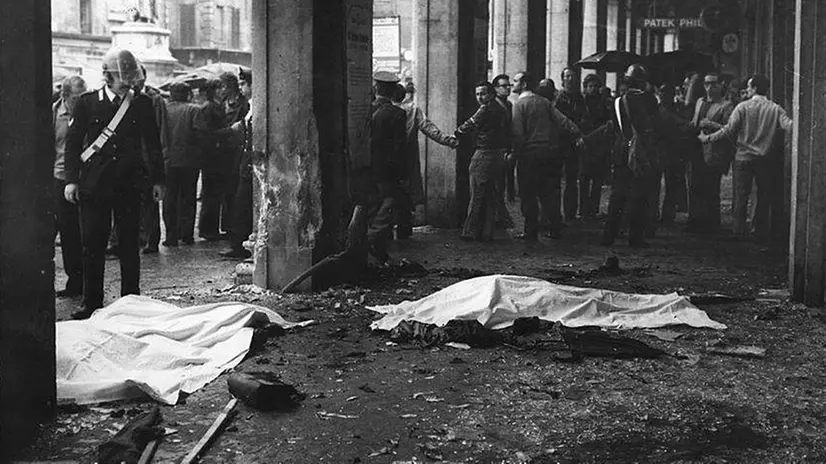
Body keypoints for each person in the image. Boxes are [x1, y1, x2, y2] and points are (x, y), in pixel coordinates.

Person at [64, 48, 165, 319]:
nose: (128, 82)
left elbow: (153, 145)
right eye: (123, 77)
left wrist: (158, 180)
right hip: (94, 184)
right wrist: (71, 180)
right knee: (92, 245)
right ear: (107, 76)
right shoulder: (87, 103)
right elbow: (73, 145)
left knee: (130, 244)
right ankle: (91, 301)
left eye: (131, 77)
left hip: (130, 184)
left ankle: (130, 299)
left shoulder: (141, 103)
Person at [699, 74, 793, 239]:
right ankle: (758, 230)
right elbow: (790, 126)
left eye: (749, 87)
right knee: (762, 196)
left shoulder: (742, 107)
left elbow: (728, 131)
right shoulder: (776, 108)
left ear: (755, 88)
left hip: (743, 158)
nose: (747, 90)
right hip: (764, 159)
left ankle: (738, 230)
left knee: (741, 196)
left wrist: (708, 139)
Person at [511, 71, 583, 241]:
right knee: (548, 193)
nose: (513, 84)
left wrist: (515, 154)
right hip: (548, 154)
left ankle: (531, 231)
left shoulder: (519, 105)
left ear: (524, 84)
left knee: (528, 194)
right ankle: (555, 228)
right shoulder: (544, 102)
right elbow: (563, 121)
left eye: (515, 81)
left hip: (529, 155)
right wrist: (577, 134)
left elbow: (518, 134)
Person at [601, 64, 660, 248]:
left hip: (621, 151)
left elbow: (615, 128)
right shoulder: (649, 100)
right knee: (640, 196)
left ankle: (608, 236)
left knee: (617, 195)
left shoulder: (618, 101)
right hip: (641, 152)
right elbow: (652, 127)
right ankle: (635, 237)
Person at [393, 82, 458, 239]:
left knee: (390, 194)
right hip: (408, 158)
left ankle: (388, 233)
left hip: (388, 160)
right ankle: (405, 228)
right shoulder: (414, 110)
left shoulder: (382, 109)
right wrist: (450, 141)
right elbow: (430, 129)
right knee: (407, 193)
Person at [454, 81, 510, 241]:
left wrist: (457, 132)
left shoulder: (485, 108)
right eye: (478, 94)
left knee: (477, 194)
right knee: (492, 195)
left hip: (483, 154)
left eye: (483, 93)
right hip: (498, 154)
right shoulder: (501, 108)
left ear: (491, 94)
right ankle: (487, 232)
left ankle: (470, 231)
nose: (480, 97)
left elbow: (470, 124)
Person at [686, 73, 734, 233]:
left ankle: (712, 224)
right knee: (694, 186)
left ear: (721, 86)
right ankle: (694, 221)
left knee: (712, 188)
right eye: (706, 84)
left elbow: (730, 129)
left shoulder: (726, 106)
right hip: (696, 148)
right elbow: (694, 120)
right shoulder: (700, 102)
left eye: (713, 84)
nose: (709, 88)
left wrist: (712, 124)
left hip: (713, 150)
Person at [53, 75, 87, 297]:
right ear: (65, 96)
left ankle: (87, 282)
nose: (82, 100)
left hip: (86, 178)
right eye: (77, 97)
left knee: (87, 232)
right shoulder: (53, 114)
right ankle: (75, 281)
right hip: (59, 178)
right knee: (68, 232)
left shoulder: (89, 111)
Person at [368, 71, 407, 262]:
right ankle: (374, 239)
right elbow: (399, 148)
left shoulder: (367, 109)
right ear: (392, 91)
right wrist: (401, 172)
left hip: (367, 166)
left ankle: (377, 246)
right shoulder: (397, 114)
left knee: (373, 205)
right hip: (388, 170)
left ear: (376, 88)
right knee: (389, 204)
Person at [163, 82, 206, 247]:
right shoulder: (194, 110)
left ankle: (171, 236)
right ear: (188, 94)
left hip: (168, 160)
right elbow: (201, 133)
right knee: (188, 197)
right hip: (190, 161)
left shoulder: (164, 110)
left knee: (169, 198)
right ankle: (186, 234)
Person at [220, 68, 255, 259]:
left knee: (242, 205)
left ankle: (240, 246)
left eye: (243, 84)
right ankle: (239, 244)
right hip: (244, 162)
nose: (240, 88)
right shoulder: (250, 105)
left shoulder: (254, 105)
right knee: (240, 204)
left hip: (249, 162)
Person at [134, 66, 168, 254]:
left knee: (150, 202)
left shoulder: (154, 100)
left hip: (149, 158)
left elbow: (160, 130)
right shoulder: (127, 98)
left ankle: (152, 240)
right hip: (133, 158)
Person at [198, 78, 232, 241]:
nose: (223, 90)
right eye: (219, 88)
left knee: (215, 193)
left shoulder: (217, 106)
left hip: (218, 156)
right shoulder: (209, 108)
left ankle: (211, 228)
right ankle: (207, 229)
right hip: (212, 156)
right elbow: (207, 134)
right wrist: (229, 131)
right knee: (211, 194)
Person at [578, 74, 614, 220]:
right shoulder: (581, 103)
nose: (592, 89)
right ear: (585, 88)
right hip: (586, 145)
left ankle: (593, 208)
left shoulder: (603, 104)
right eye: (590, 86)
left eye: (595, 86)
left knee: (598, 179)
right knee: (584, 178)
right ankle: (583, 209)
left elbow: (607, 122)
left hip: (599, 145)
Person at [555, 67, 588, 220]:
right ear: (562, 79)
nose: (570, 79)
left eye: (572, 76)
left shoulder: (579, 98)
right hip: (561, 142)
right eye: (567, 76)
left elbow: (583, 115)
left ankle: (570, 212)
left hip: (574, 142)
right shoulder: (559, 98)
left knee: (571, 178)